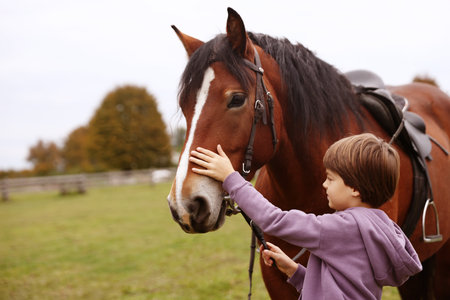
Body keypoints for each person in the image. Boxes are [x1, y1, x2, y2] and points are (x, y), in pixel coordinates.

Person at [189, 133, 422, 300]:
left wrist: (231, 178)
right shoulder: (378, 227)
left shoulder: (341, 226)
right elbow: (343, 288)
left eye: (331, 178)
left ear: (355, 189)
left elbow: (274, 220)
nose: (324, 184)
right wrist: (295, 271)